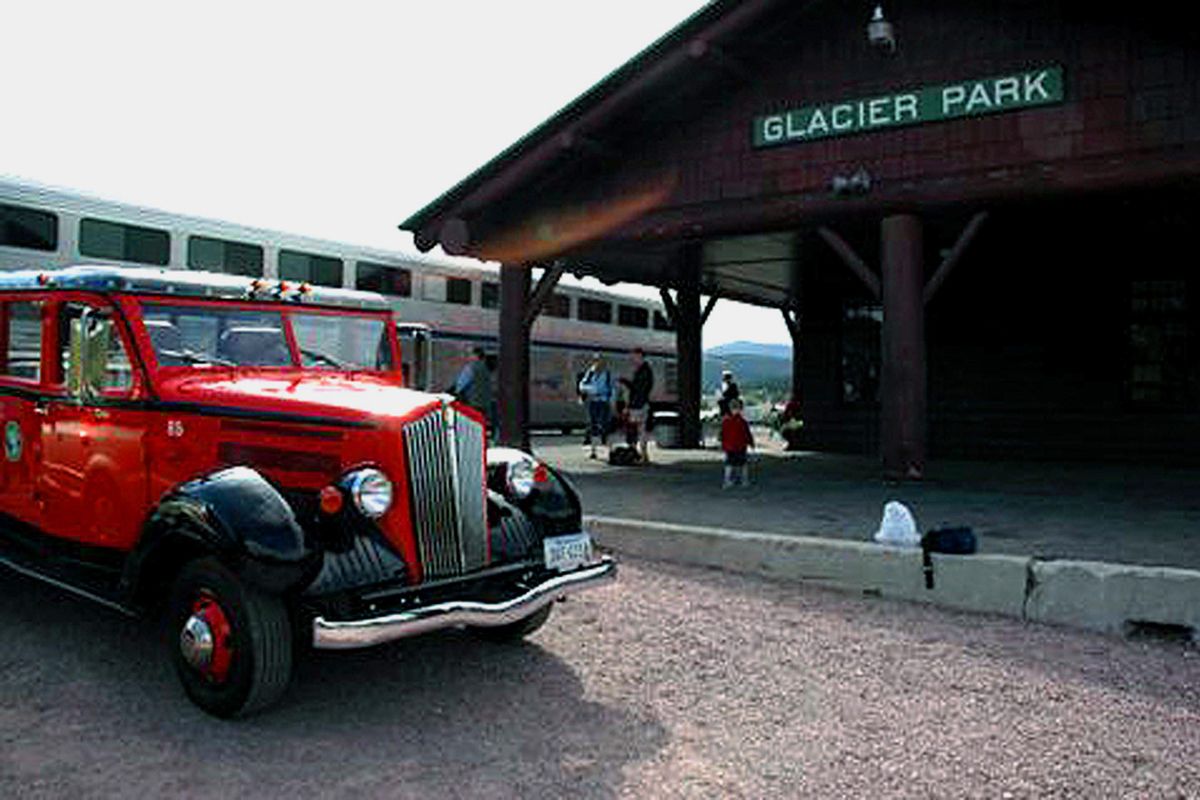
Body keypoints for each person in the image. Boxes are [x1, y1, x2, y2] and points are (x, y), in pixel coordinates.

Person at [620, 347, 654, 464]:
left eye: (634, 357)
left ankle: (638, 455)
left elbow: (638, 390)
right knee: (640, 431)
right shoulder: (644, 370)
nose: (633, 359)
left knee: (635, 430)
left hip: (638, 405)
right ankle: (643, 456)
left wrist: (629, 406)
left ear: (640, 356)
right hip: (641, 404)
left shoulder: (644, 371)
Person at [577, 354, 614, 459]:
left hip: (603, 402)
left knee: (606, 427)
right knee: (593, 427)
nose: (597, 363)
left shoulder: (607, 374)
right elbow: (581, 385)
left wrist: (611, 402)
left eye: (599, 361)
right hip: (593, 402)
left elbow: (612, 389)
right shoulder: (590, 373)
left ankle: (610, 451)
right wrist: (590, 390)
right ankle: (593, 452)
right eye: (595, 361)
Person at [720, 397, 754, 489]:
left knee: (729, 464)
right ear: (741, 409)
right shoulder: (743, 422)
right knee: (743, 464)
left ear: (730, 408)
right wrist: (751, 443)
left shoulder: (726, 421)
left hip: (729, 447)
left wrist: (723, 444)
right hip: (741, 446)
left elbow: (722, 434)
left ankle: (727, 481)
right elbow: (747, 434)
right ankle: (744, 481)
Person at [451, 346, 492, 418]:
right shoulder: (486, 369)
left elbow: (460, 385)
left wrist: (454, 393)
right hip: (484, 405)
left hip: (472, 404)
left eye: (470, 354)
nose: (469, 357)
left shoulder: (471, 367)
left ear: (476, 355)